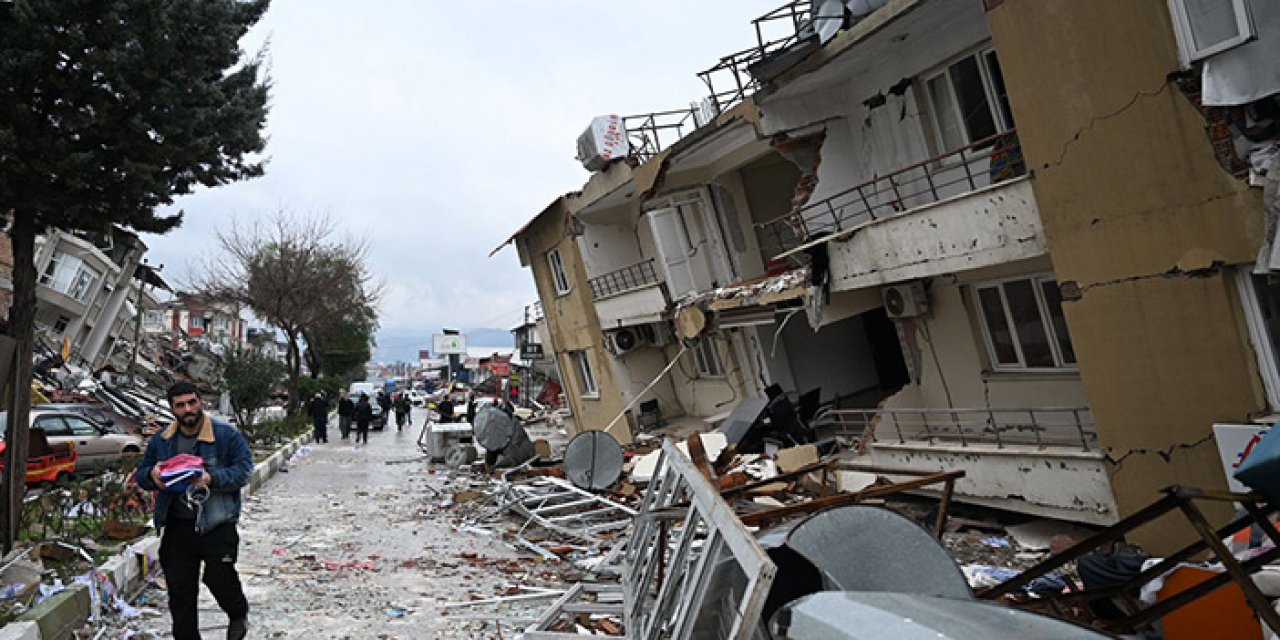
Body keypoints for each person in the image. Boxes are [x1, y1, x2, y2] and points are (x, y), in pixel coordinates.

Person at [135, 382, 254, 640]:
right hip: (177, 526)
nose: (188, 409)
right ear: (172, 409)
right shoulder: (162, 440)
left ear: (200, 402)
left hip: (216, 524)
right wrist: (152, 476)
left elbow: (244, 471)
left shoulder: (225, 435)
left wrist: (212, 478)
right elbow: (141, 474)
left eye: (192, 402)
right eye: (181, 405)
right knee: (180, 592)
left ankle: (237, 612)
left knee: (219, 578)